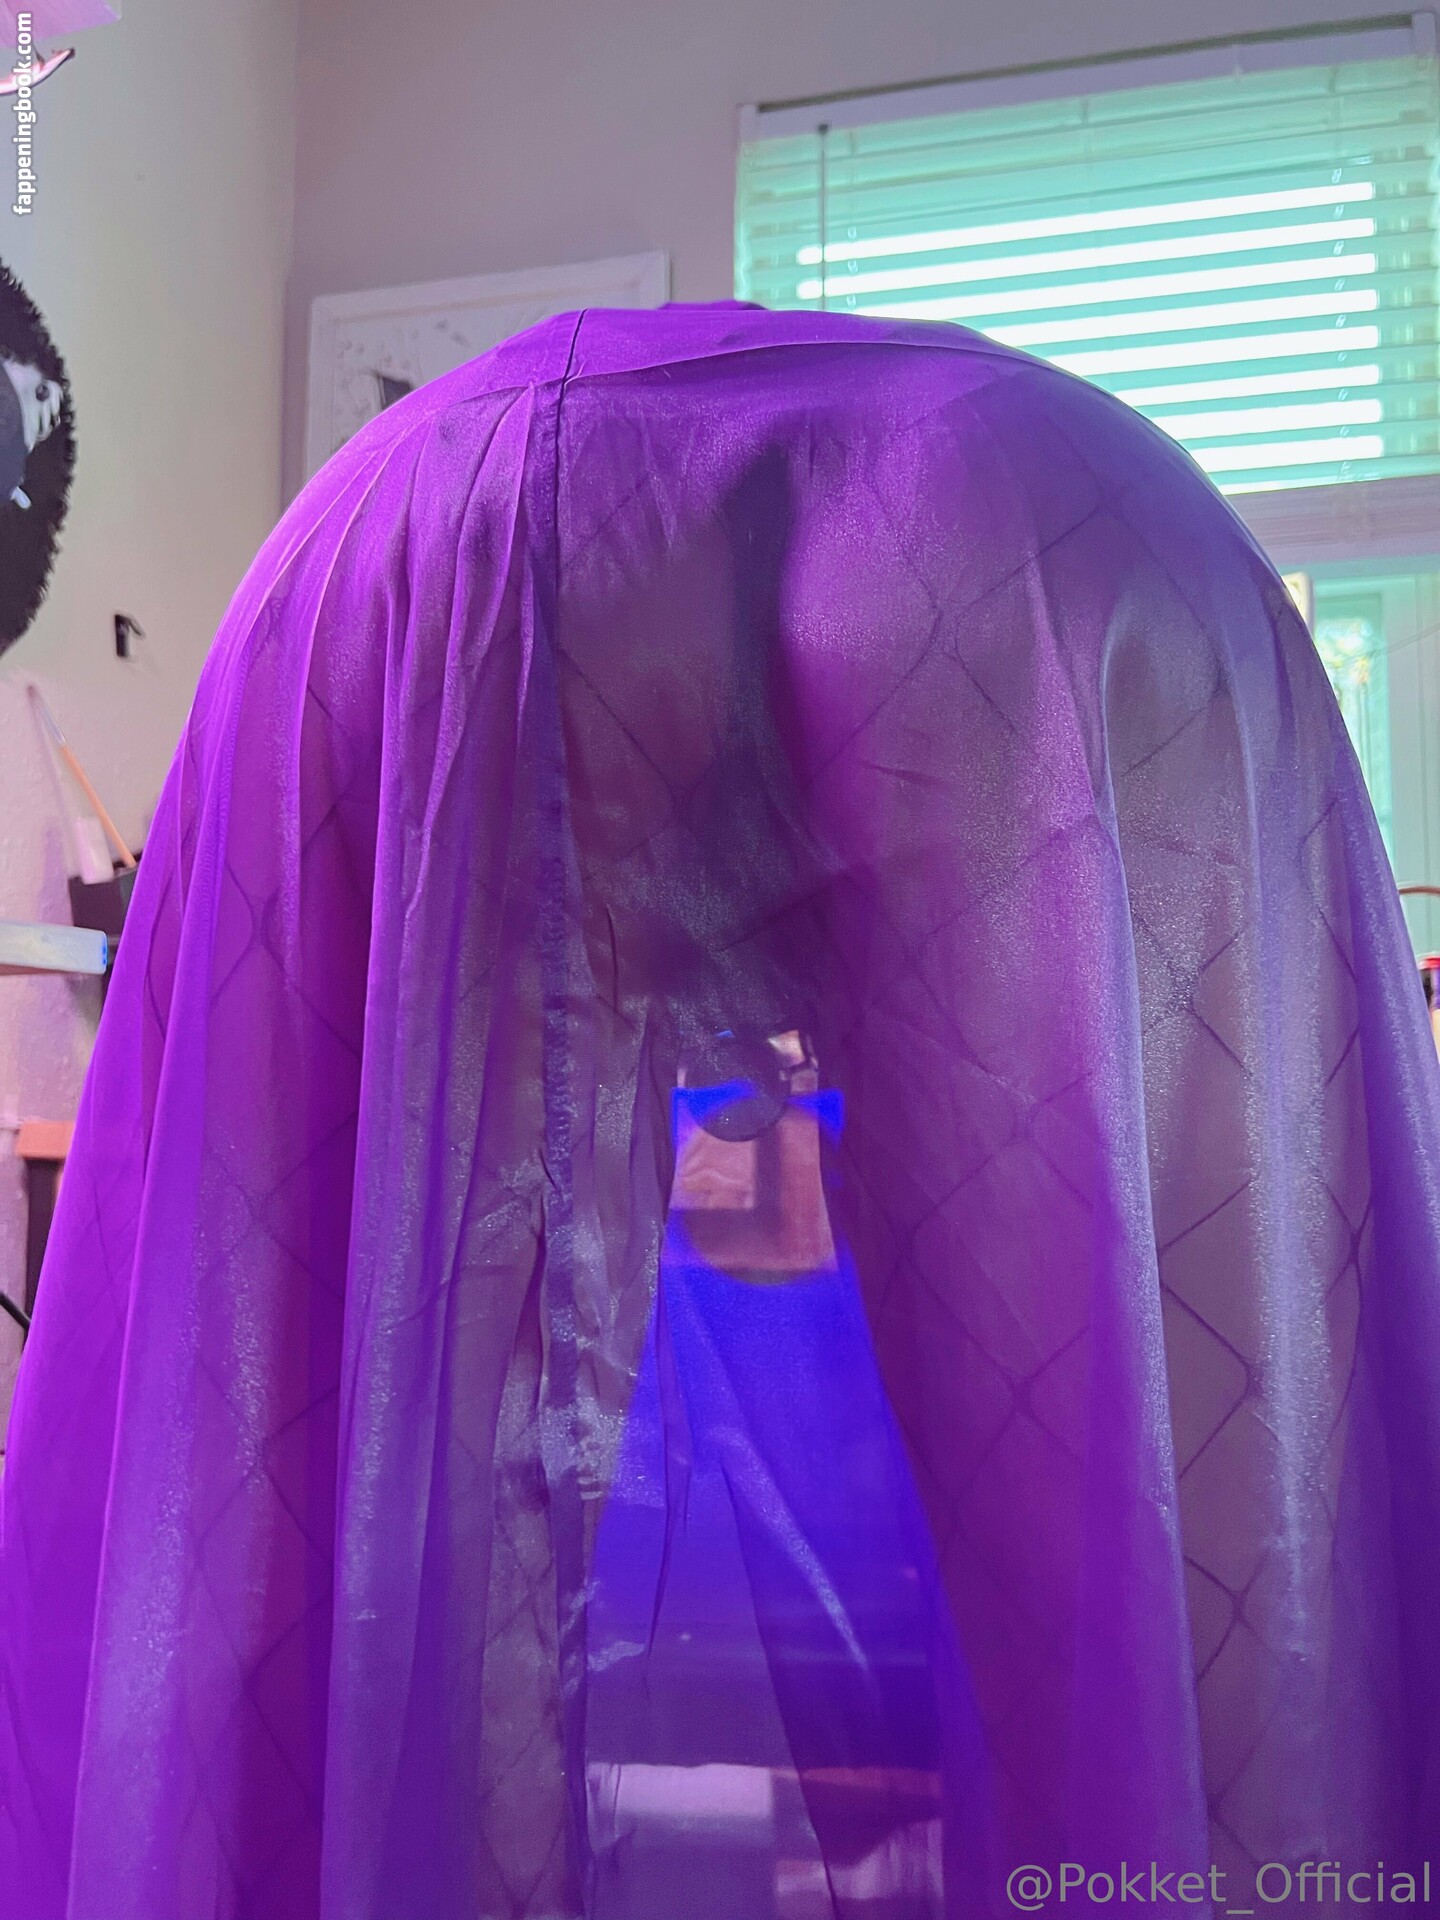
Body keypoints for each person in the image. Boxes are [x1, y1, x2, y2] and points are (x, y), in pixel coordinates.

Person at [3, 303, 1438, 1920]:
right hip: (1051, 535)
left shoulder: (376, 510)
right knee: (1123, 1424)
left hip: (393, 547)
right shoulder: (1043, 482)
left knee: (410, 1411)